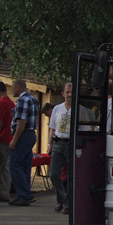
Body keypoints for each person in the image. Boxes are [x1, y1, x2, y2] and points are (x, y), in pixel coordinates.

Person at [8, 79, 40, 206]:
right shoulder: (33, 99)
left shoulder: (22, 100)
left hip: (23, 134)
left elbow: (22, 121)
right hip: (31, 134)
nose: (11, 90)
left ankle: (25, 194)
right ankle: (22, 194)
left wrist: (14, 140)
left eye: (12, 88)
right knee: (25, 165)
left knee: (14, 165)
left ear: (17, 87)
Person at [48, 82, 74, 213]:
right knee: (53, 174)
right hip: (58, 142)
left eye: (71, 92)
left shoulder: (78, 110)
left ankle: (67, 204)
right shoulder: (57, 109)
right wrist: (49, 144)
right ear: (63, 93)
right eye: (67, 92)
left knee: (70, 175)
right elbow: (52, 128)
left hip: (71, 143)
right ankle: (61, 199)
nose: (69, 95)